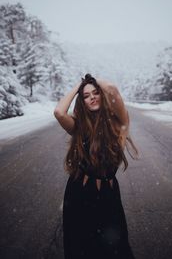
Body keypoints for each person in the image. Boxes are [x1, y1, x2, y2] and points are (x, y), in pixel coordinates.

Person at [54, 74, 138, 259]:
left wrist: (92, 80)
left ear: (102, 94)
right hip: (79, 193)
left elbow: (112, 89)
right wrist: (79, 85)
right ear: (82, 102)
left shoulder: (119, 123)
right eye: (86, 95)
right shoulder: (79, 126)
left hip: (108, 196)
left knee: (116, 248)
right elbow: (59, 112)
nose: (92, 97)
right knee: (80, 249)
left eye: (95, 93)